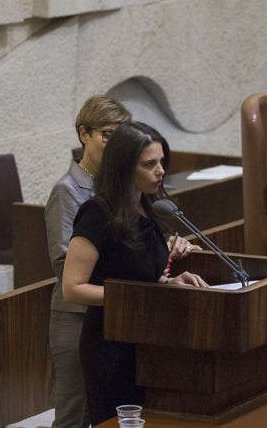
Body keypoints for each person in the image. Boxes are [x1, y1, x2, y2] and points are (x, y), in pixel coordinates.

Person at [62, 121, 209, 426]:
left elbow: (141, 276)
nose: (160, 171)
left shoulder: (150, 208)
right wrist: (141, 295)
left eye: (161, 162)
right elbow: (72, 288)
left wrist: (168, 281)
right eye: (150, 164)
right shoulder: (97, 213)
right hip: (109, 345)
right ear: (125, 168)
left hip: (147, 340)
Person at [45, 95, 131, 428]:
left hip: (111, 315)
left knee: (110, 413)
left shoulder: (117, 189)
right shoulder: (67, 191)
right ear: (84, 134)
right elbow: (64, 262)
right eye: (107, 134)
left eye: (120, 136)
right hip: (76, 320)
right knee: (74, 417)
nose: (114, 144)